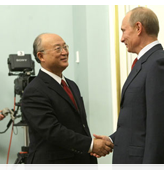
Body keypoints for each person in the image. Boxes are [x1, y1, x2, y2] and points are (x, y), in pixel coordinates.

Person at [93, 7, 164, 170]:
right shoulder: (146, 63)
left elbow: (159, 131)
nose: (121, 38)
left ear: (138, 28)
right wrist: (112, 140)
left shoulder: (159, 64)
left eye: (124, 31)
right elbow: (137, 121)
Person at [21, 33, 114, 170]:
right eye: (58, 48)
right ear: (41, 56)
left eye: (65, 47)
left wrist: (90, 147)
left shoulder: (72, 85)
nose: (65, 52)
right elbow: (52, 131)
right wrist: (91, 145)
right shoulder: (34, 90)